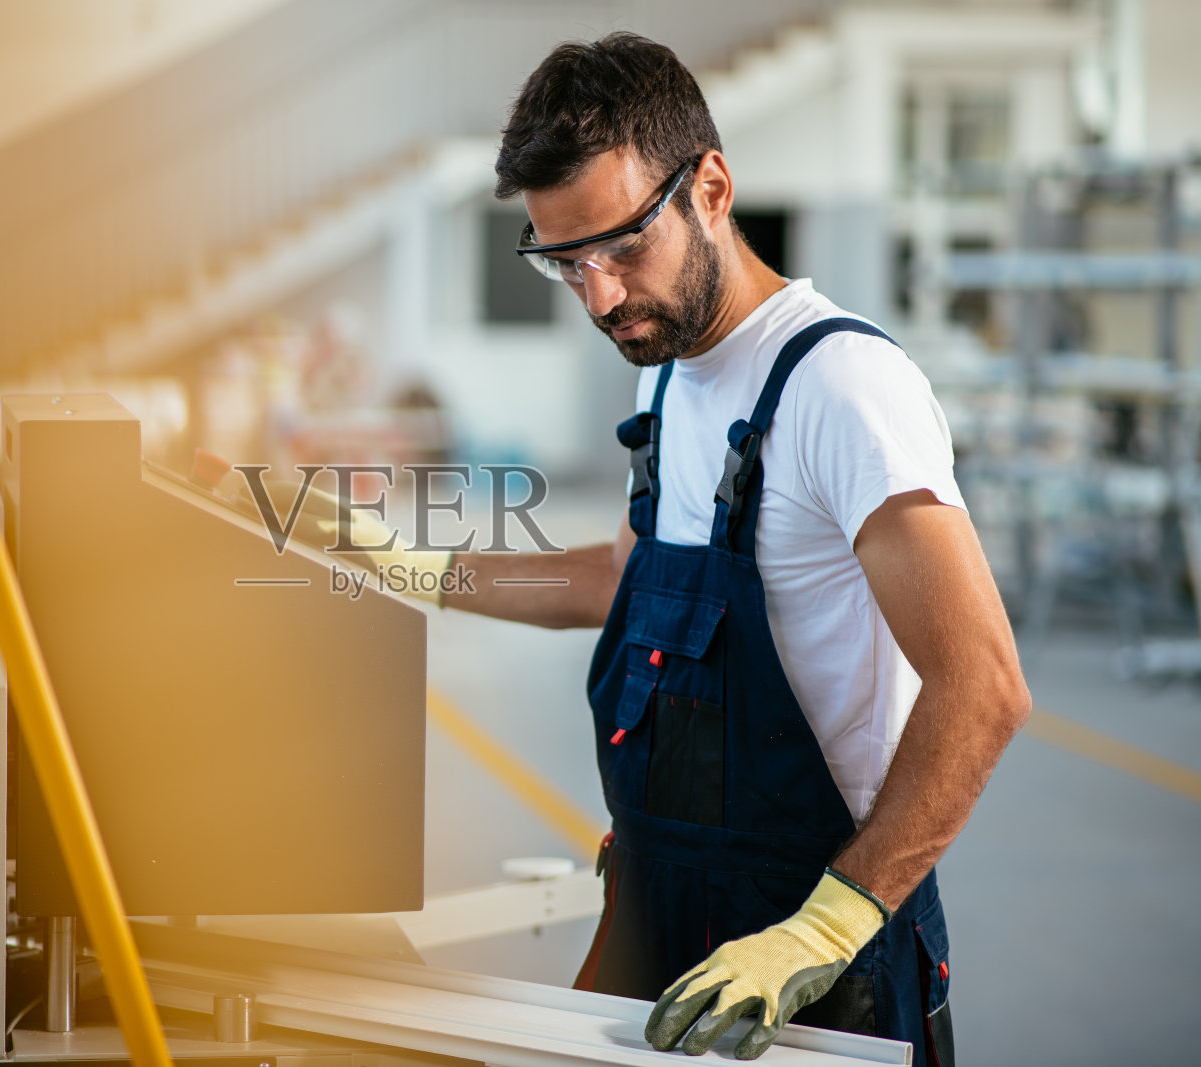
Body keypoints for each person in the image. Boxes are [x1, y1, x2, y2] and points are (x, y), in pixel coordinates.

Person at [406, 32, 1030, 1065]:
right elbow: (619, 575)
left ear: (709, 187)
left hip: (819, 967)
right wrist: (420, 568)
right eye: (565, 261)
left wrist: (820, 932)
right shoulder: (665, 368)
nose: (599, 297)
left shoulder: (841, 388)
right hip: (667, 923)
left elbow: (981, 685)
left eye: (619, 247)